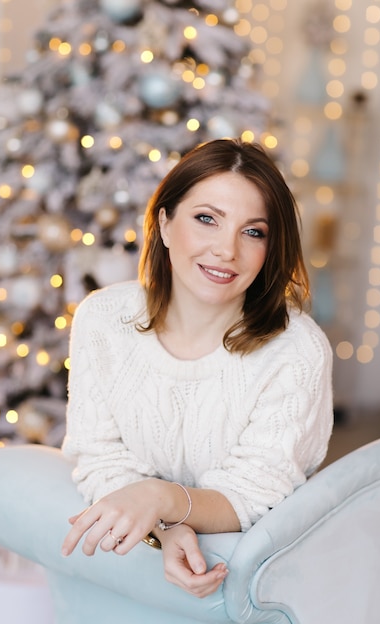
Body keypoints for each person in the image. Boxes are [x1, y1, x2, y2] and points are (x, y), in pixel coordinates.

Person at [61, 138, 333, 598]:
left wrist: (161, 499)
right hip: (123, 584)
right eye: (207, 219)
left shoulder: (297, 351)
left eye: (253, 232)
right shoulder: (102, 320)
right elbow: (98, 455)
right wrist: (164, 530)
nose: (226, 250)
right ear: (164, 223)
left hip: (251, 586)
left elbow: (255, 494)